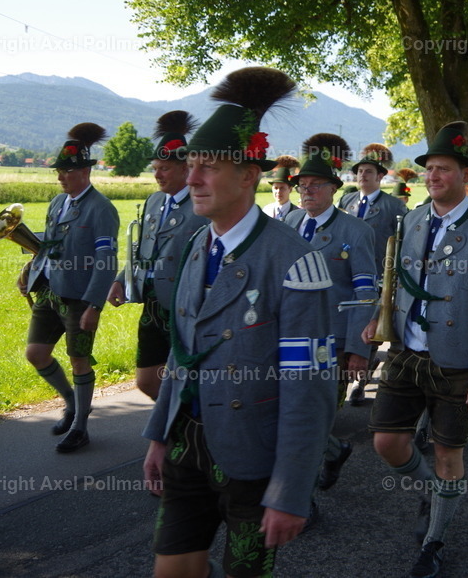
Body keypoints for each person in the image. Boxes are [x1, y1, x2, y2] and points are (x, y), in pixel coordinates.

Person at [141, 67, 337, 578]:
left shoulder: (296, 261)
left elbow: (308, 385)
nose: (193, 178)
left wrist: (292, 490)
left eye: (209, 166)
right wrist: (160, 436)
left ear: (249, 175)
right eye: (191, 165)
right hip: (188, 443)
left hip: (254, 456)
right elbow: (182, 355)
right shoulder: (192, 247)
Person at [362, 121, 468, 578]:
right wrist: (378, 313)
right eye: (429, 169)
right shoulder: (412, 219)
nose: (432, 176)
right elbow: (395, 277)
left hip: (459, 361)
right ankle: (434, 492)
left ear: (466, 176)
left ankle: (435, 541)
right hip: (407, 350)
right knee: (387, 441)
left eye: (443, 169)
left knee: (450, 454)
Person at [284, 133, 378, 491]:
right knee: (291, 415)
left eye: (314, 185)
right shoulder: (288, 225)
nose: (306, 191)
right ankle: (334, 452)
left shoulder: (355, 230)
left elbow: (365, 291)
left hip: (333, 341)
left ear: (334, 189)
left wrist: (357, 348)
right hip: (289, 337)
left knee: (314, 419)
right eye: (301, 185)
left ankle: (300, 499)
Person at [19, 122, 119, 453]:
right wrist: (29, 268)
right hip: (49, 289)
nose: (61, 176)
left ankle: (80, 427)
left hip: (79, 297)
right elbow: (50, 245)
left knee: (79, 361)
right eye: (59, 171)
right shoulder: (55, 203)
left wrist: (95, 305)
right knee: (36, 353)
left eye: (67, 171)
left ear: (85, 171)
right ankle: (72, 403)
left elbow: (106, 259)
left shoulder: (101, 209)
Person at [106, 111, 209, 401]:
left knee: (187, 378)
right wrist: (119, 280)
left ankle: (187, 435)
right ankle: (178, 426)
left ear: (185, 169)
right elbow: (140, 249)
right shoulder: (153, 200)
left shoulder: (201, 203)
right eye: (155, 167)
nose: (157, 174)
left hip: (184, 305)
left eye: (164, 168)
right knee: (146, 379)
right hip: (151, 303)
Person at [338, 143, 410, 406]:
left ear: (380, 176)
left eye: (369, 172)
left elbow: (403, 243)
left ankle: (359, 381)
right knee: (349, 326)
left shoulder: (393, 206)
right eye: (359, 171)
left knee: (369, 326)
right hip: (347, 275)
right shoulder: (346, 201)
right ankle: (356, 371)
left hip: (379, 276)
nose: (362, 176)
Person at [262, 155, 299, 220]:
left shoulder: (298, 213)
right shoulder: (266, 211)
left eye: (282, 188)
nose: (278, 191)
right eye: (275, 188)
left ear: (290, 189)